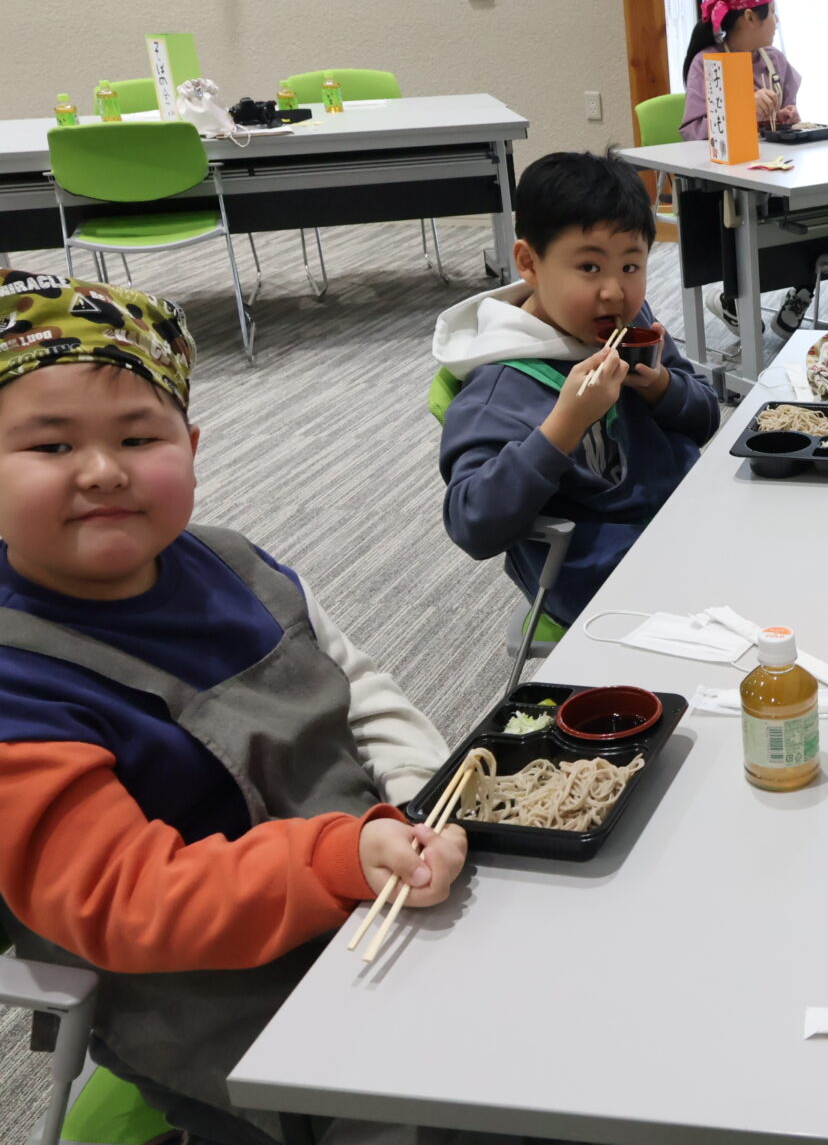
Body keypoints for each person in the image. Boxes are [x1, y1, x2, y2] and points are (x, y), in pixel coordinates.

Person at [0, 272, 493, 1145]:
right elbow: (128, 899)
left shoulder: (230, 563)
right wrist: (342, 857)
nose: (106, 471)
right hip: (213, 996)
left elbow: (361, 690)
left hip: (376, 882)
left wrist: (424, 796)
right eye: (50, 447)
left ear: (190, 444)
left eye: (139, 435)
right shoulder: (19, 687)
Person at [435, 151, 720, 631]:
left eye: (631, 266)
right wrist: (563, 427)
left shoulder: (634, 325)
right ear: (529, 262)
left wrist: (663, 389)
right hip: (601, 577)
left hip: (686, 523)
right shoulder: (500, 383)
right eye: (590, 268)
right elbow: (472, 525)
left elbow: (706, 420)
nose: (614, 291)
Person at [677, 0, 814, 344]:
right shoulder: (708, 64)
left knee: (815, 214)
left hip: (775, 171)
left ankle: (804, 286)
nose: (776, 22)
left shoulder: (776, 61)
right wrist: (740, 110)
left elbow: (784, 118)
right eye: (771, 13)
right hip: (727, 183)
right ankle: (734, 295)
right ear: (751, 16)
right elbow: (692, 133)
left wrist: (786, 117)